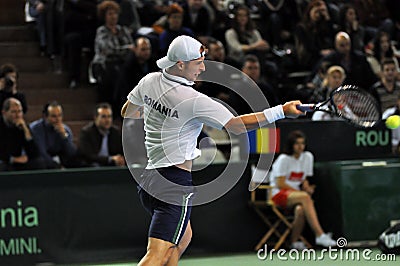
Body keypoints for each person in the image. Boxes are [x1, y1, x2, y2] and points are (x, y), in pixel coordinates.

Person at [121, 35, 304, 266]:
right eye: (198, 62)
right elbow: (237, 126)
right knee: (156, 253)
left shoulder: (149, 81)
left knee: (182, 237)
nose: (203, 67)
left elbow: (128, 111)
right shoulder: (194, 100)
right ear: (180, 65)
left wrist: (158, 112)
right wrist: (281, 111)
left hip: (149, 182)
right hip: (174, 184)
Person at [269, 130, 336, 249]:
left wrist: (307, 187)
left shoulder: (308, 157)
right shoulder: (284, 159)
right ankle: (320, 235)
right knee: (305, 198)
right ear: (291, 145)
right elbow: (280, 184)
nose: (300, 147)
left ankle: (294, 242)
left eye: (302, 143)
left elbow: (303, 179)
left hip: (296, 195)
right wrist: (302, 193)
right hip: (278, 194)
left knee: (300, 209)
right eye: (297, 144)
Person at [92, 0, 135, 102]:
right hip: (104, 64)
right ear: (104, 16)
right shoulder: (102, 31)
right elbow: (108, 50)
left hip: (122, 62)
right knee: (117, 73)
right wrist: (126, 49)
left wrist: (127, 49)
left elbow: (132, 47)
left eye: (115, 13)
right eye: (110, 14)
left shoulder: (123, 30)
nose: (113, 16)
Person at [0, 98, 45, 171]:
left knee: (39, 163)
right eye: (14, 112)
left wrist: (26, 132)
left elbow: (35, 154)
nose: (18, 115)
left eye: (20, 111)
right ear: (4, 113)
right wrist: (13, 159)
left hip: (17, 161)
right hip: (5, 160)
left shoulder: (22, 126)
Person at [29, 101, 78, 169]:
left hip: (59, 158)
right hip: (44, 161)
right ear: (45, 117)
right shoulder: (36, 128)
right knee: (40, 162)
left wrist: (64, 136)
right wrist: (57, 166)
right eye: (54, 116)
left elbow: (72, 153)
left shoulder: (65, 130)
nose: (58, 119)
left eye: (60, 115)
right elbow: (41, 152)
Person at [78, 102, 125, 167]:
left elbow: (121, 151)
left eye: (109, 116)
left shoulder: (115, 132)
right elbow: (88, 156)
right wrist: (110, 159)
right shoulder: (86, 132)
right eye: (103, 117)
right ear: (95, 118)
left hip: (111, 166)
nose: (107, 120)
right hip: (92, 167)